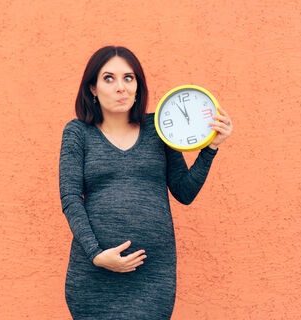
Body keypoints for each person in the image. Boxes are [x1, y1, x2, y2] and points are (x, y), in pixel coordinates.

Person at [58, 46, 233, 320]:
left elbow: (184, 191)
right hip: (94, 273)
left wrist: (210, 149)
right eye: (109, 78)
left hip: (152, 275)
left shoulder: (158, 128)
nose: (121, 87)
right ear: (92, 88)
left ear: (138, 86)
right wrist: (96, 254)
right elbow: (70, 199)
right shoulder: (78, 133)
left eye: (129, 78)